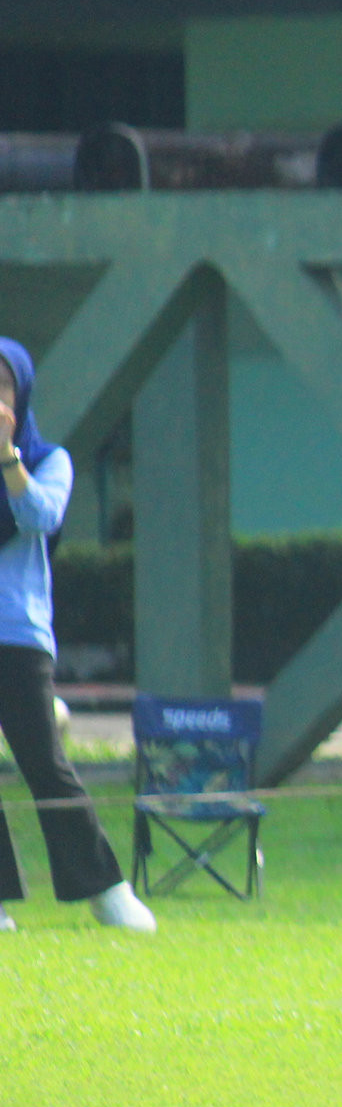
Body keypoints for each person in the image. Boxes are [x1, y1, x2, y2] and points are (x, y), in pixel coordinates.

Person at [0, 339, 154, 933]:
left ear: (23, 393)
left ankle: (105, 890)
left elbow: (41, 516)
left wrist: (6, 456)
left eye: (5, 385)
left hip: (18, 634)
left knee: (44, 761)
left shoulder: (47, 458)